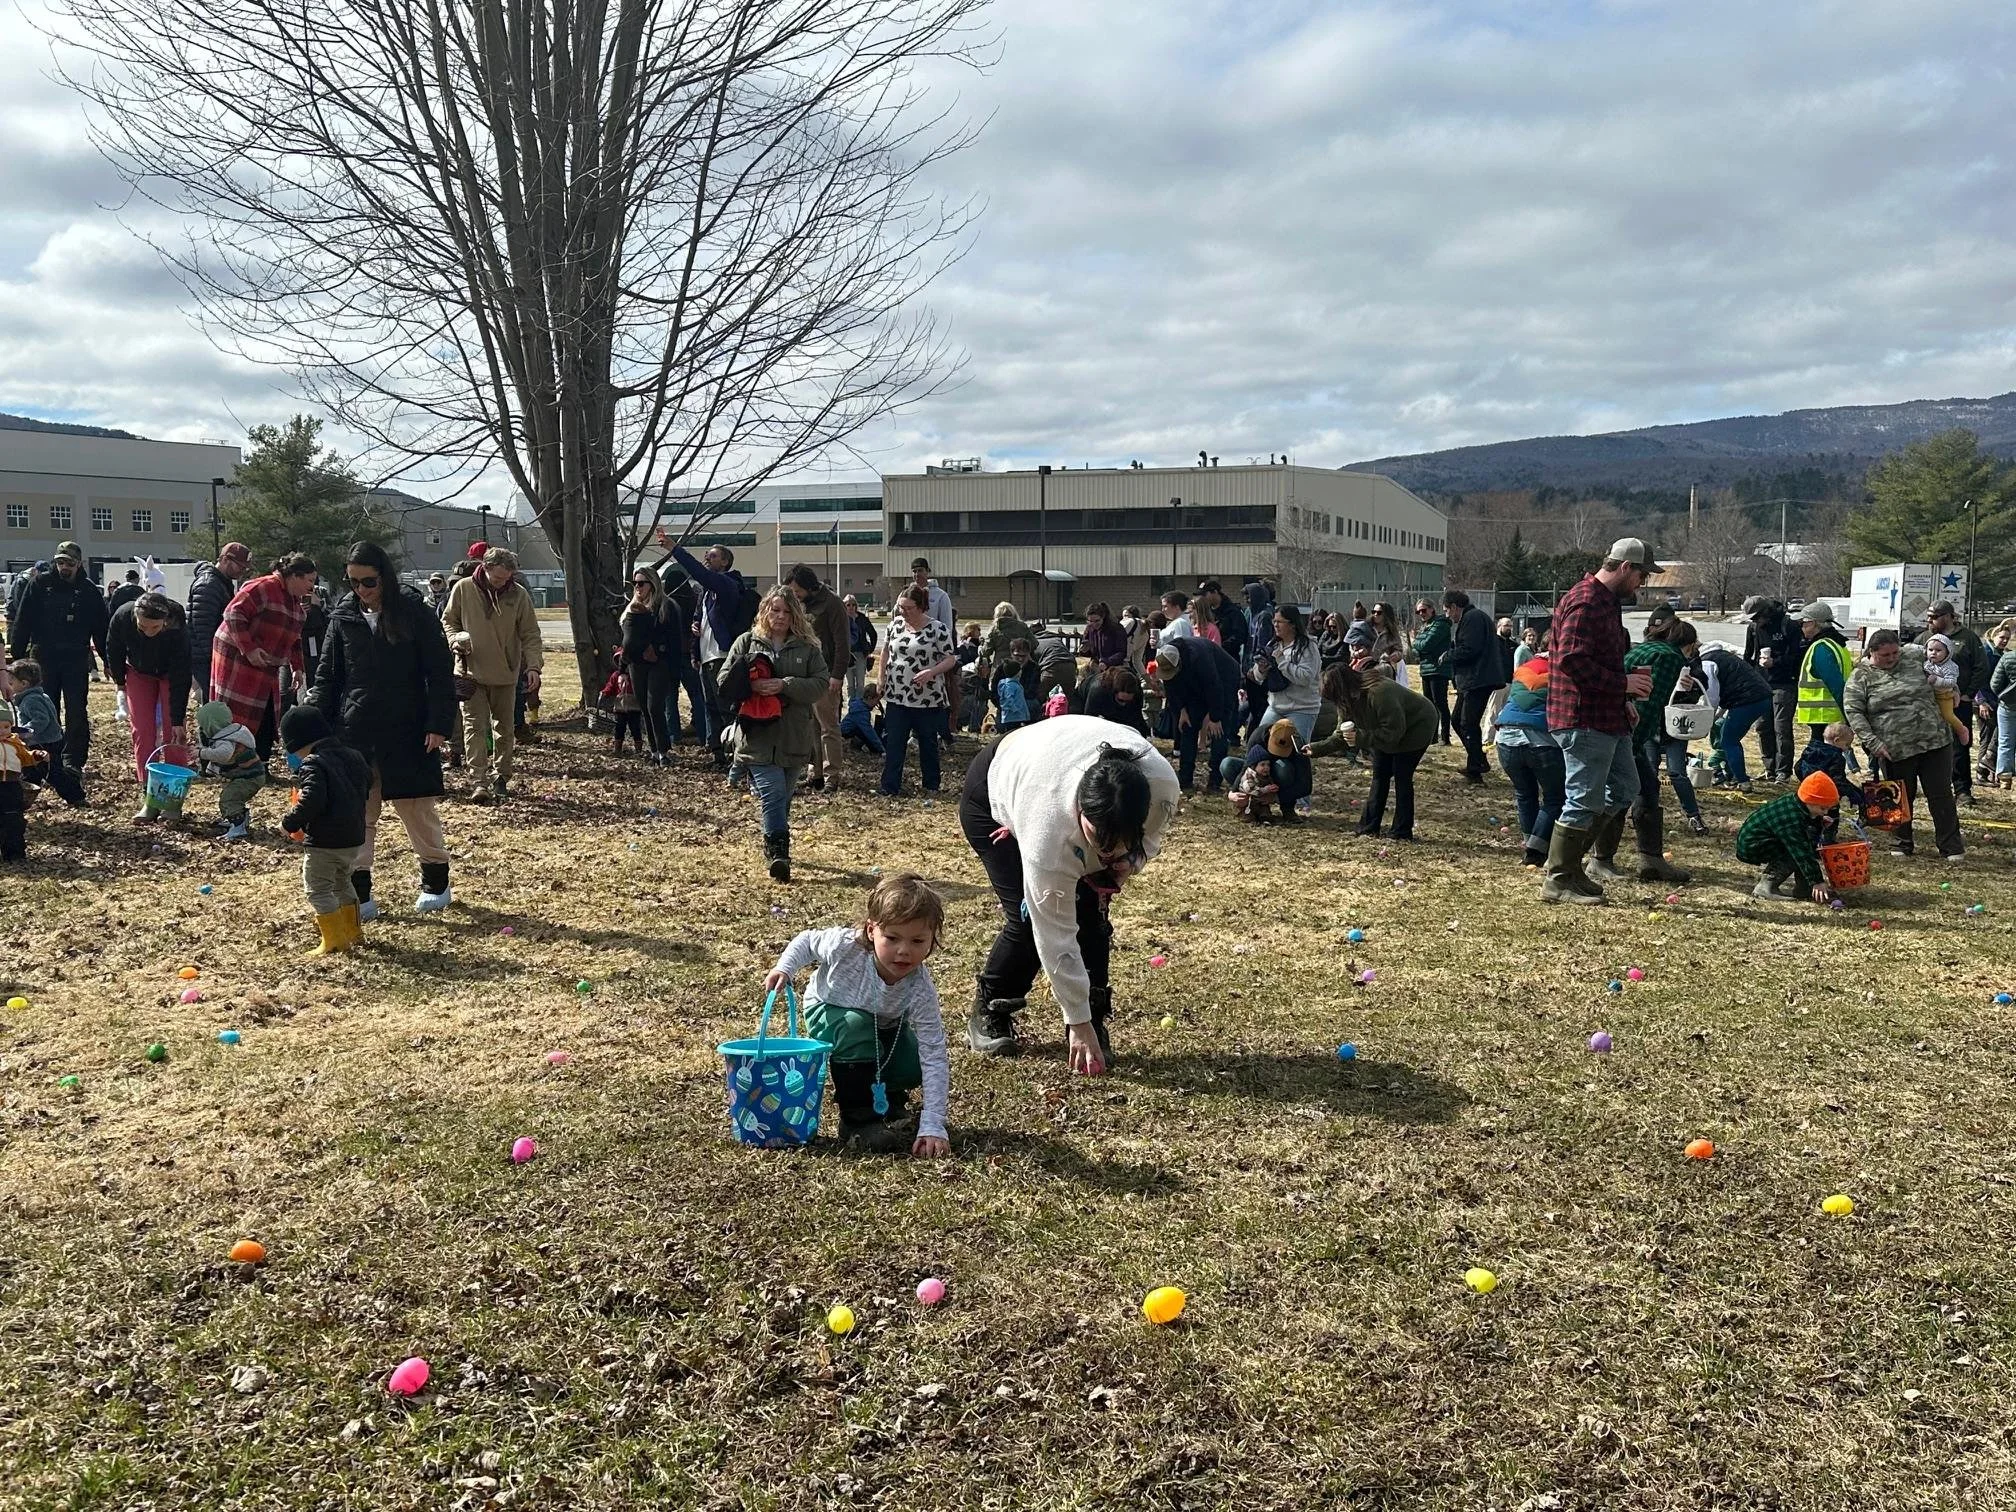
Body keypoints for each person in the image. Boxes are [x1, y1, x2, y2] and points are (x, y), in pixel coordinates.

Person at [961, 716, 1179, 1071]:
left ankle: (1095, 1015)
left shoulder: (1160, 787)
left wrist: (1130, 861)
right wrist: (1075, 1021)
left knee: (1092, 916)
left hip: (1055, 754)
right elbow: (1055, 933)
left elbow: (1151, 839)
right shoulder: (1048, 826)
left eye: (1118, 842)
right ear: (1080, 810)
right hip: (995, 785)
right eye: (1099, 842)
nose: (1105, 856)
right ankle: (991, 1006)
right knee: (1027, 917)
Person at [310, 541, 458, 917]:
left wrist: (439, 724)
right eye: (354, 582)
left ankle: (436, 882)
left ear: (385, 577)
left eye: (369, 581)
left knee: (416, 809)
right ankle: (360, 895)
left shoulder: (414, 612)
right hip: (354, 728)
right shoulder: (343, 616)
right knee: (357, 814)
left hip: (408, 726)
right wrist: (317, 729)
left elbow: (439, 672)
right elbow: (328, 676)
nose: (361, 589)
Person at [764, 873, 952, 1155]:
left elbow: (933, 1051)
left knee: (912, 1059)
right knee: (857, 1028)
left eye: (917, 941)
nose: (903, 951)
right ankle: (859, 1121)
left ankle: (887, 1098)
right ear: (870, 930)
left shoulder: (919, 986)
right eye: (892, 938)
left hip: (883, 1026)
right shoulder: (844, 945)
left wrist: (933, 1124)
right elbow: (807, 941)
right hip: (829, 1011)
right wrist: (784, 968)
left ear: (931, 940)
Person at [1540, 538, 1658, 905]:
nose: (1643, 583)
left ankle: (1571, 866)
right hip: (1582, 717)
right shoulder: (1586, 601)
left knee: (1625, 786)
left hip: (1606, 713)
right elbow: (1572, 660)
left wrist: (1623, 698)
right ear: (1625, 567)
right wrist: (1622, 683)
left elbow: (1598, 660)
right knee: (1583, 799)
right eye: (1642, 575)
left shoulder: (1606, 602)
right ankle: (1559, 879)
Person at [717, 586, 829, 881]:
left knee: (783, 797)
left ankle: (774, 833)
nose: (780, 616)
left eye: (787, 611)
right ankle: (778, 853)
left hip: (793, 736)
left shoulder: (808, 649)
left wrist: (786, 685)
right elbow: (724, 680)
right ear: (765, 610)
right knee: (773, 793)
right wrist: (750, 684)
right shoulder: (747, 642)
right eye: (775, 610)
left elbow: (820, 684)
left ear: (796, 615)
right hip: (757, 735)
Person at [1843, 629, 1963, 860]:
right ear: (1872, 653)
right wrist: (1873, 742)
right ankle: (1901, 843)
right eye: (1885, 655)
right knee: (1897, 796)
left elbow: (1943, 666)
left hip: (1934, 741)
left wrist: (1952, 688)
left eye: (1895, 652)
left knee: (1940, 795)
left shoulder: (1914, 656)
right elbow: (1854, 712)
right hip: (1893, 748)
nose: (1892, 658)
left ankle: (1951, 846)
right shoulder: (1860, 677)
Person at [441, 547, 542, 801]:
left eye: (507, 578)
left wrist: (533, 667)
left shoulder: (518, 595)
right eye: (498, 578)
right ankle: (479, 781)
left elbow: (530, 633)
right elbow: (448, 620)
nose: (503, 582)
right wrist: (454, 640)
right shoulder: (463, 589)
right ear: (484, 569)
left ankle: (501, 776)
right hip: (470, 672)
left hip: (506, 674)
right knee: (473, 726)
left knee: (504, 727)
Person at [6, 542, 110, 775]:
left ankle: (73, 760)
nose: (64, 567)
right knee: (41, 708)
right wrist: (17, 659)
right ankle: (42, 758)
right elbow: (23, 621)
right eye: (60, 562)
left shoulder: (88, 590)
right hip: (42, 658)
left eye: (69, 563)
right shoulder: (40, 584)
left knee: (76, 710)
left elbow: (101, 629)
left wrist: (108, 661)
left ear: (79, 564)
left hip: (75, 657)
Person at [278, 703, 372, 955]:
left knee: (318, 887)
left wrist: (291, 822)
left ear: (298, 743)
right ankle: (353, 931)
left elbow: (311, 799)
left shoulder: (314, 764)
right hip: (353, 837)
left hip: (325, 840)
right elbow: (367, 784)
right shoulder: (354, 756)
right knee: (343, 881)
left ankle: (334, 939)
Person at [1606, 615, 1693, 885]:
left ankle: (1649, 859)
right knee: (1623, 791)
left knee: (1647, 787)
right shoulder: (1670, 657)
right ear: (1686, 643)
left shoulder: (1641, 650)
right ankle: (1605, 858)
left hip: (1615, 726)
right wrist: (1635, 742)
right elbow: (1650, 703)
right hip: (1628, 733)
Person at [1311, 661, 1437, 840]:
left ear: (1344, 688)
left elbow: (1394, 732)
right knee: (1380, 775)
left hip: (1417, 725)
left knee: (1402, 776)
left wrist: (1361, 738)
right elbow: (1341, 736)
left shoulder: (1379, 692)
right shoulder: (1347, 700)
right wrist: (1315, 749)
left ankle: (1402, 831)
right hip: (1384, 731)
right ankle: (1368, 827)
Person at [211, 553, 315, 761]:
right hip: (238, 661)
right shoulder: (263, 587)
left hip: (266, 666)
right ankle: (226, 762)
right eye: (310, 580)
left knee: (267, 713)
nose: (312, 586)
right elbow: (233, 613)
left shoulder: (295, 603)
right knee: (235, 714)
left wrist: (298, 667)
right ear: (294, 575)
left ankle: (260, 763)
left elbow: (294, 636)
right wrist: (248, 649)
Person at [104, 591, 192, 814]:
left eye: (155, 628)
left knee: (173, 733)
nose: (149, 632)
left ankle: (173, 799)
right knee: (143, 732)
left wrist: (178, 718)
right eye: (143, 627)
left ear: (165, 622)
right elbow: (113, 649)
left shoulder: (177, 626)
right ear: (135, 617)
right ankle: (150, 796)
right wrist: (120, 682)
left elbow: (182, 673)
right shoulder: (122, 616)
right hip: (138, 672)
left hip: (170, 675)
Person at [669, 541, 749, 767]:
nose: (708, 557)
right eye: (707, 555)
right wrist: (695, 648)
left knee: (725, 709)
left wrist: (674, 550)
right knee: (710, 708)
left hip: (721, 657)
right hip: (705, 659)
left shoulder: (727, 584)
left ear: (725, 562)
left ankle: (735, 756)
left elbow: (700, 573)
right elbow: (699, 620)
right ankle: (718, 756)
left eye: (713, 556)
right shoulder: (705, 593)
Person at [877, 583, 957, 798]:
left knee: (927, 742)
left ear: (921, 607)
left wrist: (932, 672)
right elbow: (885, 651)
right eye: (900, 607)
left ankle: (931, 784)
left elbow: (950, 658)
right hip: (897, 695)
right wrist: (881, 677)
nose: (904, 612)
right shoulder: (895, 626)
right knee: (894, 741)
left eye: (908, 608)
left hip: (927, 698)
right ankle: (889, 785)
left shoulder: (938, 629)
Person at [1493, 647, 1564, 868]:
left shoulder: (1524, 668)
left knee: (1525, 794)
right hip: (1541, 740)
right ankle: (1535, 850)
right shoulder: (1562, 670)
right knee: (1555, 797)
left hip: (1505, 737)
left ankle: (1530, 844)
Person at [786, 564, 851, 793]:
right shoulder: (800, 605)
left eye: (797, 591)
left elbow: (843, 642)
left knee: (828, 727)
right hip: (805, 673)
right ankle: (816, 774)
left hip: (826, 674)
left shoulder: (832, 603)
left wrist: (837, 675)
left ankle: (832, 775)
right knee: (810, 726)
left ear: (809, 586)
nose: (795, 595)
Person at [1683, 630, 1774, 791]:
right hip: (1761, 696)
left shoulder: (1706, 662)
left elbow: (1712, 695)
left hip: (1747, 700)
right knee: (1729, 737)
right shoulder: (1722, 655)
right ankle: (1731, 776)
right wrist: (1718, 714)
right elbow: (1729, 685)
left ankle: (1743, 781)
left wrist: (1707, 719)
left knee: (1728, 741)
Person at [1150, 636, 1240, 793]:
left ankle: (1214, 781)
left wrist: (1215, 717)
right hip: (1195, 685)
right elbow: (1171, 688)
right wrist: (1182, 710)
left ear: (1179, 664)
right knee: (1188, 727)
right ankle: (1185, 779)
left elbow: (1214, 686)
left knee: (1218, 731)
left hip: (1224, 679)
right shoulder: (1165, 656)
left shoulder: (1200, 658)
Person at [1918, 600, 1986, 804]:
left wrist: (1968, 693)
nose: (1929, 620)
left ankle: (1962, 790)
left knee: (1959, 745)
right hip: (1929, 703)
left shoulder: (1967, 638)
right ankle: (1935, 787)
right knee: (1929, 745)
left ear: (1948, 616)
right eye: (1928, 616)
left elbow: (1981, 667)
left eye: (1934, 616)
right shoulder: (1924, 638)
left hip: (1957, 702)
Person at [1736, 772, 1840, 904]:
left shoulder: (1797, 803)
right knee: (1796, 851)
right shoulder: (1791, 819)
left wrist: (1818, 821)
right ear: (1809, 800)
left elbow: (1806, 828)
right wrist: (1817, 881)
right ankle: (1766, 886)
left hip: (1767, 839)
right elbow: (1801, 852)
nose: (1825, 812)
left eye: (1828, 809)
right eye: (1822, 808)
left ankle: (1805, 889)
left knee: (1803, 845)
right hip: (1752, 845)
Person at [3, 660, 87, 808]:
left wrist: (25, 731)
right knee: (30, 772)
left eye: (12, 683)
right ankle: (22, 800)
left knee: (53, 774)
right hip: (47, 741)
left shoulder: (31, 700)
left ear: (24, 684)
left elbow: (41, 720)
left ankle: (75, 795)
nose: (9, 686)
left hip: (44, 743)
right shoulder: (38, 696)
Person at [1444, 589, 1505, 782]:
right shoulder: (1474, 617)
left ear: (1454, 607)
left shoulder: (1473, 618)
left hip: (1478, 679)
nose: (1447, 615)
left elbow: (1470, 649)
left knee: (1468, 723)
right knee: (1458, 720)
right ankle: (1477, 760)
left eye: (1447, 610)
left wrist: (1448, 656)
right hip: (1473, 679)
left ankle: (1476, 767)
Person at [619, 569, 679, 765]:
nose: (637, 587)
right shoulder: (632, 608)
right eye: (635, 583)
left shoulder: (666, 607)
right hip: (636, 664)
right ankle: (654, 750)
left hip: (659, 663)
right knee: (644, 706)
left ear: (652, 585)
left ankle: (664, 751)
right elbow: (627, 641)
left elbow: (674, 640)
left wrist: (658, 651)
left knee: (655, 706)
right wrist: (622, 669)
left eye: (641, 583)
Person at [1740, 595, 1802, 783]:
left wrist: (1776, 662)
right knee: (1762, 727)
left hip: (1784, 683)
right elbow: (1748, 656)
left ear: (1766, 611)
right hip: (1761, 684)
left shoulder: (1787, 625)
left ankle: (1783, 771)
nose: (1755, 621)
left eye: (1757, 617)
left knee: (1781, 727)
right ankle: (1770, 769)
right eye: (1752, 619)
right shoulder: (1753, 628)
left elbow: (1796, 655)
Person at [186, 541, 252, 703]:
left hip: (210, 655)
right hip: (205, 658)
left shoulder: (220, 583)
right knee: (214, 706)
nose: (242, 571)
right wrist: (215, 659)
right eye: (240, 566)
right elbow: (203, 628)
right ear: (225, 560)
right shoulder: (209, 585)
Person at [1247, 603, 1322, 741]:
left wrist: (1281, 661)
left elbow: (1305, 678)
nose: (1275, 625)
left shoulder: (1307, 646)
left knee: (1295, 751)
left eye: (1279, 622)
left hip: (1302, 709)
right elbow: (1258, 677)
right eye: (1274, 621)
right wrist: (1261, 671)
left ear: (1292, 624)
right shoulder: (1273, 644)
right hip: (1276, 706)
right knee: (1258, 742)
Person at [193, 699, 266, 840]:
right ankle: (240, 821)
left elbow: (223, 755)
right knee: (233, 797)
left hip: (249, 778)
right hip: (252, 776)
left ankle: (238, 826)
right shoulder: (232, 733)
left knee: (229, 799)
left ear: (211, 724)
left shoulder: (226, 740)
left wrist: (202, 753)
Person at [1794, 601, 1855, 765]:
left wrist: (1851, 717)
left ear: (1813, 623)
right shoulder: (1837, 645)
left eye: (1803, 623)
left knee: (1818, 762)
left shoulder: (1821, 648)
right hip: (1831, 716)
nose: (1801, 627)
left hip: (1824, 717)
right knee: (1828, 761)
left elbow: (1835, 685)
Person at [905, 558, 959, 738]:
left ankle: (939, 731)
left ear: (928, 571)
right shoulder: (908, 594)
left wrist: (941, 653)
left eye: (920, 570)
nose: (917, 574)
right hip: (913, 654)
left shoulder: (941, 596)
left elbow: (947, 626)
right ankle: (915, 731)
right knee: (913, 689)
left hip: (934, 656)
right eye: (914, 571)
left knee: (935, 692)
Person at [1225, 720, 1312, 823]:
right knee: (1227, 764)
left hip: (1281, 779)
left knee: (1283, 769)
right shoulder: (1258, 736)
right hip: (1256, 780)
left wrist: (1276, 797)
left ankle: (1287, 808)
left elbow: (1306, 786)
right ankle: (1247, 804)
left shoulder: (1300, 747)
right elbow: (1247, 767)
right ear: (1270, 732)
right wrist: (1232, 792)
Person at [1410, 598, 1454, 745]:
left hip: (1439, 669)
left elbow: (1426, 645)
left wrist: (1416, 642)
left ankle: (1445, 737)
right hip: (1426, 669)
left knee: (1440, 703)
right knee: (1429, 704)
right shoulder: (1425, 626)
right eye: (1418, 611)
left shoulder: (1440, 624)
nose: (1421, 614)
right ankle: (1432, 736)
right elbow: (1415, 650)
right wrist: (1418, 645)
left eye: (1424, 610)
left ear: (1432, 609)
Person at [1922, 634, 1971, 746]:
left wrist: (1937, 680)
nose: (1933, 653)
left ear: (1948, 652)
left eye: (1938, 650)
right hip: (1930, 696)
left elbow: (1951, 682)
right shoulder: (1927, 663)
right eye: (1930, 650)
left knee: (1948, 715)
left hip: (1945, 696)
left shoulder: (1950, 666)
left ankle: (1961, 729)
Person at [0, 699, 31, 861]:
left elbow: (25, 758)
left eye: (6, 727)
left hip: (12, 785)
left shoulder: (15, 743)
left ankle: (15, 853)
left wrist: (37, 756)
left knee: (14, 818)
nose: (3, 731)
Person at [1197, 580, 1250, 667]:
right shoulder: (1207, 612)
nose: (1203, 598)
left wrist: (1219, 647)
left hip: (1228, 660)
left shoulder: (1233, 612)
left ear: (1215, 592)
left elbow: (1240, 636)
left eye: (1205, 595)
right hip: (1209, 660)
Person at [600, 652, 644, 753]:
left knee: (635, 728)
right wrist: (604, 693)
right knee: (619, 728)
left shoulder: (637, 675)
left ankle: (638, 747)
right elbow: (610, 686)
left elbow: (642, 688)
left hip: (634, 707)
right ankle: (617, 747)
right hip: (620, 707)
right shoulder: (616, 675)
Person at [1085, 665, 1147, 733]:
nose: (1124, 704)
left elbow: (1136, 718)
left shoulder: (1137, 691)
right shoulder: (1098, 690)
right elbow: (1088, 719)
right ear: (1114, 692)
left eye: (1128, 701)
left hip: (1111, 703)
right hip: (1082, 698)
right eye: (1121, 700)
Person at [991, 639, 1036, 734]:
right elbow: (994, 692)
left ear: (1029, 654)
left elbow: (1034, 691)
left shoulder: (1033, 668)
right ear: (1011, 654)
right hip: (1006, 708)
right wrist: (1004, 706)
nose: (1020, 659)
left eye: (1023, 656)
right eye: (1017, 655)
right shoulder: (1002, 668)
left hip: (1026, 705)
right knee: (1003, 732)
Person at [1990, 630, 2016, 789]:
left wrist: (2003, 695)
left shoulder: (2007, 657)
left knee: (2005, 741)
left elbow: (1994, 684)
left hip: (2007, 706)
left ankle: (2005, 777)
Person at [843, 595, 878, 702]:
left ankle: (858, 705)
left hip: (860, 654)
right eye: (848, 605)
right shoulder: (841, 618)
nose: (851, 607)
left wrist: (870, 649)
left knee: (860, 683)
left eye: (853, 604)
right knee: (850, 684)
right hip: (847, 654)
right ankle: (851, 706)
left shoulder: (862, 618)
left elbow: (873, 634)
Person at [1368, 603, 1408, 685]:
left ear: (1386, 615)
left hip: (1384, 668)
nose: (1375, 614)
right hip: (1367, 666)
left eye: (1379, 613)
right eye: (1373, 612)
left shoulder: (1391, 632)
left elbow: (1398, 649)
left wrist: (1395, 655)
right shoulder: (1366, 628)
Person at [841, 682, 885, 756]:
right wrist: (881, 749)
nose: (877, 703)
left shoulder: (859, 705)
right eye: (877, 700)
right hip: (847, 733)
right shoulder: (861, 713)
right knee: (868, 736)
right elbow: (869, 732)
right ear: (869, 698)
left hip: (849, 731)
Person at [1080, 603, 1127, 670]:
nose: (1094, 624)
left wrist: (1107, 662)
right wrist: (1084, 651)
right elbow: (1088, 651)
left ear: (1103, 617)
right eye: (1090, 621)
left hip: (1114, 668)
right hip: (1096, 667)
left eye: (1097, 621)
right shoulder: (1089, 628)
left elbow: (1122, 652)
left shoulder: (1116, 628)